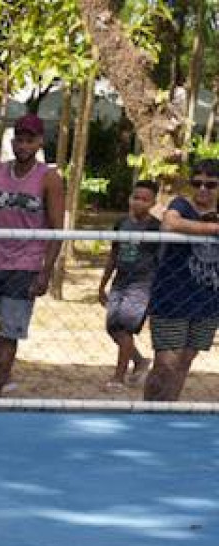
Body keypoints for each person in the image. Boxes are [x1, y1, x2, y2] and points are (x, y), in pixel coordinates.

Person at [0, 113, 65, 397]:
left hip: (26, 263)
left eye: (29, 140)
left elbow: (57, 228)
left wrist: (46, 271)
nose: (23, 145)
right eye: (18, 140)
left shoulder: (49, 178)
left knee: (11, 327)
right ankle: (4, 372)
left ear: (39, 143)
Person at [143, 161, 219, 401]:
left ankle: (167, 412)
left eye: (211, 184)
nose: (203, 189)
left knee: (185, 361)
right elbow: (169, 224)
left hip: (207, 300)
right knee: (166, 361)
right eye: (197, 183)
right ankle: (148, 410)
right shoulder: (181, 205)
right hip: (171, 296)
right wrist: (214, 229)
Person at [97, 180, 160, 390]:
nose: (139, 203)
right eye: (136, 197)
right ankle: (140, 361)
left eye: (145, 199)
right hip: (120, 280)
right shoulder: (122, 223)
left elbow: (160, 261)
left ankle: (118, 377)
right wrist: (103, 283)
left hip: (142, 283)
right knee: (112, 327)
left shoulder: (155, 228)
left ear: (153, 202)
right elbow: (114, 254)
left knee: (125, 328)